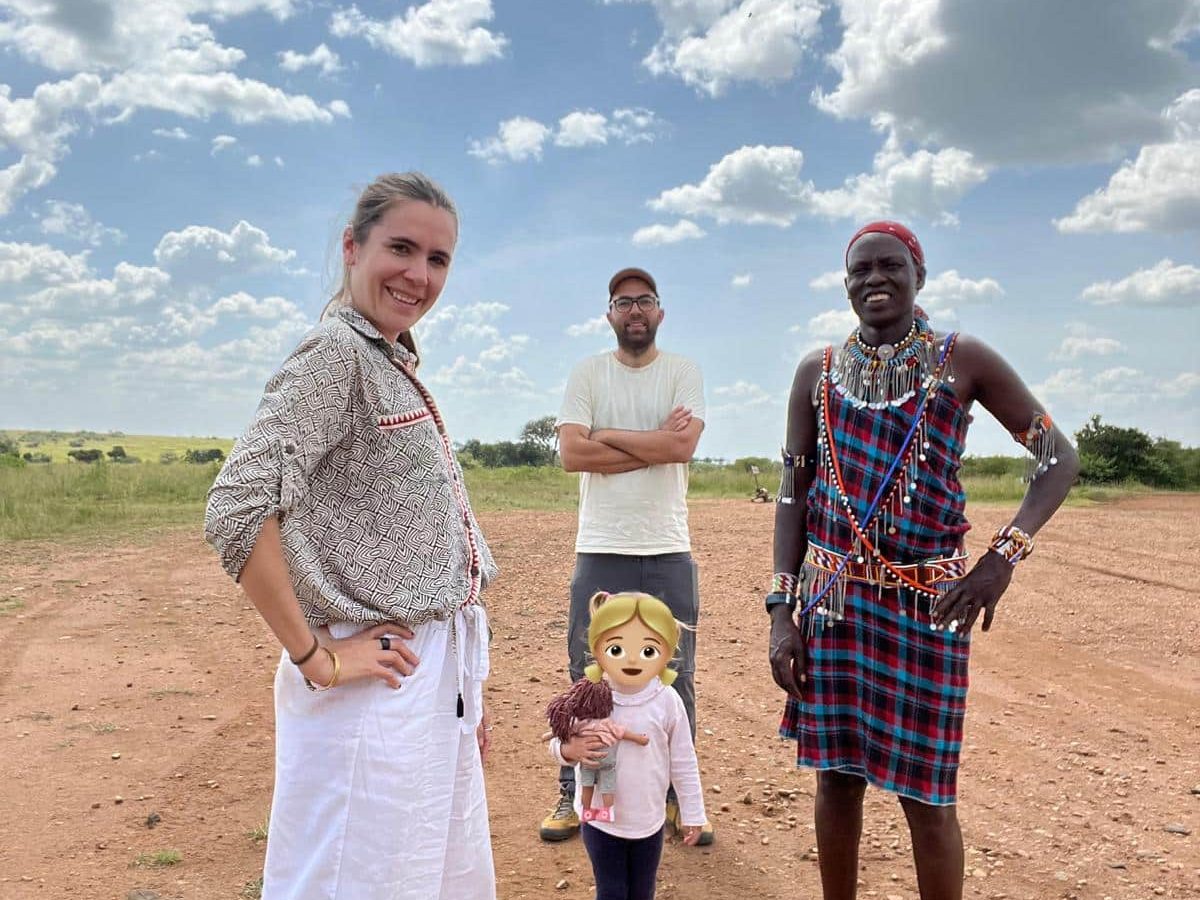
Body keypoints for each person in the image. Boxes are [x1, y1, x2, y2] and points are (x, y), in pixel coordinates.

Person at [204, 172, 498, 900]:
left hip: (422, 674)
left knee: (420, 875)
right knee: (354, 880)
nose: (419, 274)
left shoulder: (388, 357)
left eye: (438, 259)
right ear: (351, 246)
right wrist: (316, 656)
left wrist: (462, 701)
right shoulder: (335, 356)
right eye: (401, 247)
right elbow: (239, 506)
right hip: (371, 675)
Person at [768, 221, 1079, 900]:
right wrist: (780, 612)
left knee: (927, 793)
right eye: (860, 271)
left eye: (890, 267)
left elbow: (1059, 458)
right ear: (845, 284)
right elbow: (794, 492)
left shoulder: (962, 360)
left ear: (919, 276)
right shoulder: (815, 374)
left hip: (928, 606)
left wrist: (1002, 559)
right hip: (833, 607)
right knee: (837, 778)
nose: (875, 280)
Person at [542, 266, 712, 845]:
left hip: (667, 546)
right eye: (622, 302)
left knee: (676, 675)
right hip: (601, 545)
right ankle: (576, 795)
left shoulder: (682, 372)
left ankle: (674, 800)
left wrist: (606, 436)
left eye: (644, 301)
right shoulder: (588, 373)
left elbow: (682, 445)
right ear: (609, 314)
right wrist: (651, 446)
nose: (634, 310)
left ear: (659, 312)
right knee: (587, 675)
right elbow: (570, 455)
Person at [547, 592, 706, 899]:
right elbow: (556, 743)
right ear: (597, 649)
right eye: (617, 648)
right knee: (612, 891)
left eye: (648, 650)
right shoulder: (589, 699)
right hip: (599, 822)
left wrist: (693, 812)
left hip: (649, 821)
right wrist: (570, 751)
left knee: (643, 890)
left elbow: (683, 761)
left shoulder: (667, 701)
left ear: (667, 652)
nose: (632, 660)